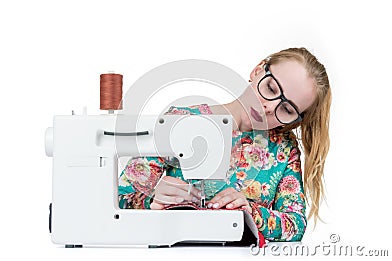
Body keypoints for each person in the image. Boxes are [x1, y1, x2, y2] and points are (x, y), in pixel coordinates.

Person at [118, 47, 331, 242]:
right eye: (271, 88)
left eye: (287, 109)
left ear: (295, 119)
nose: (269, 107)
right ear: (258, 70)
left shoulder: (283, 149)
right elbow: (120, 197)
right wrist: (151, 198)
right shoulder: (180, 121)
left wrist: (250, 213)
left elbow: (295, 224)